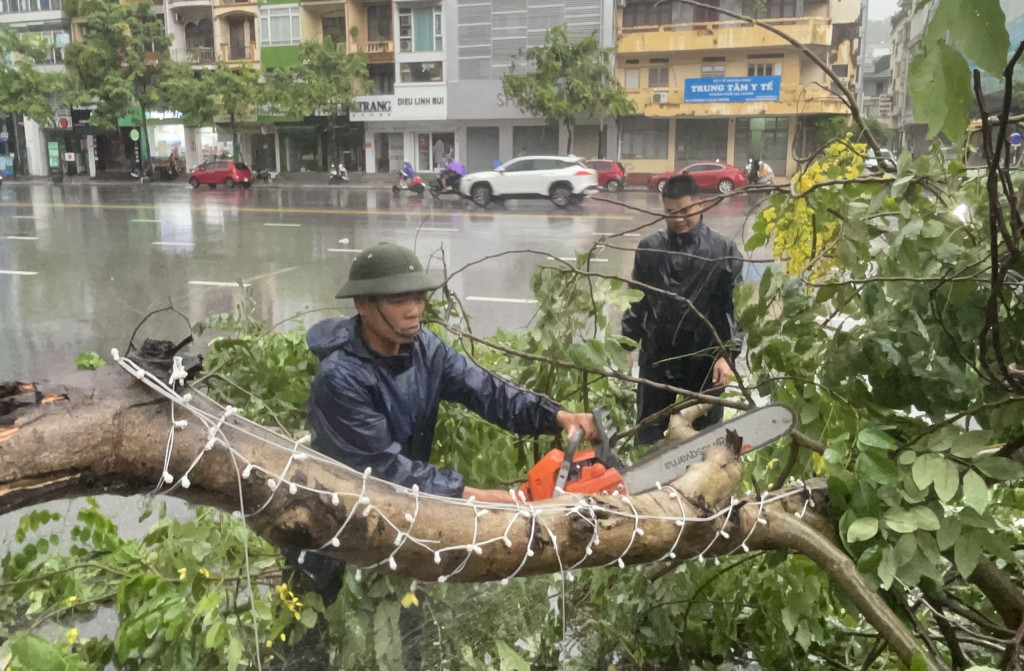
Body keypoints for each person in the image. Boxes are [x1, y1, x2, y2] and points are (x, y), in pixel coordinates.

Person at [306, 242, 599, 503]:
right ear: (362, 305)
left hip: (403, 504)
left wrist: (560, 417)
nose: (414, 311)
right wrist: (489, 499)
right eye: (399, 301)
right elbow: (385, 469)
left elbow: (488, 391)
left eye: (419, 298)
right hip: (339, 517)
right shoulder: (340, 378)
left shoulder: (426, 351)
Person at [622, 174, 744, 445]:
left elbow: (734, 310)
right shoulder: (650, 249)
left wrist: (728, 356)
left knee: (703, 443)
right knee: (649, 438)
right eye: (670, 213)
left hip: (704, 361)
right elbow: (637, 301)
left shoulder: (722, 251)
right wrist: (626, 343)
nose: (678, 219)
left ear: (699, 205)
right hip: (658, 356)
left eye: (685, 211)